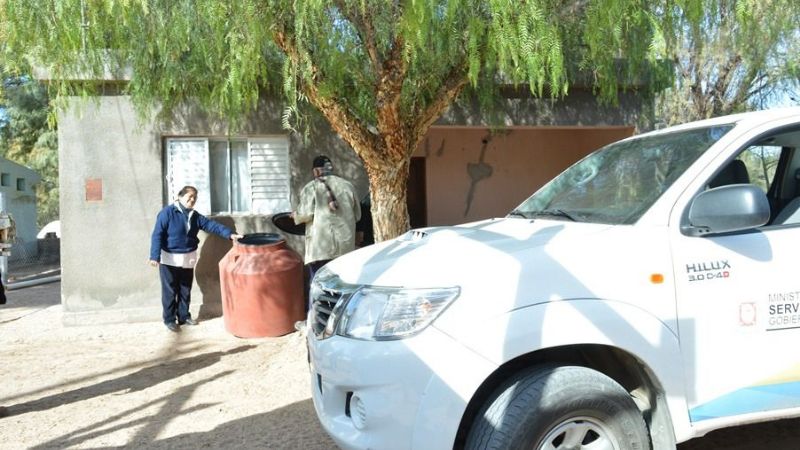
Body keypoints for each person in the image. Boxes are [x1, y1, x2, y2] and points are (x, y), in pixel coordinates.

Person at [149, 185, 242, 332]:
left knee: (185, 289)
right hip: (169, 258)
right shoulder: (167, 213)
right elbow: (157, 235)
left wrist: (230, 234)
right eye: (189, 197)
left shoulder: (195, 216)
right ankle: (169, 319)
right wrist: (154, 255)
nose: (192, 200)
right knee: (170, 290)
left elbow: (212, 226)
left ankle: (184, 316)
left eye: (194, 198)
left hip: (188, 257)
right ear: (180, 196)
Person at [293, 155, 361, 311]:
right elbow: (357, 215)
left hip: (320, 250)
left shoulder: (311, 188)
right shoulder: (347, 186)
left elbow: (304, 214)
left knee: (318, 286)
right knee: (345, 286)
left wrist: (294, 215)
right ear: (332, 169)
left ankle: (316, 322)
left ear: (316, 171)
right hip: (345, 248)